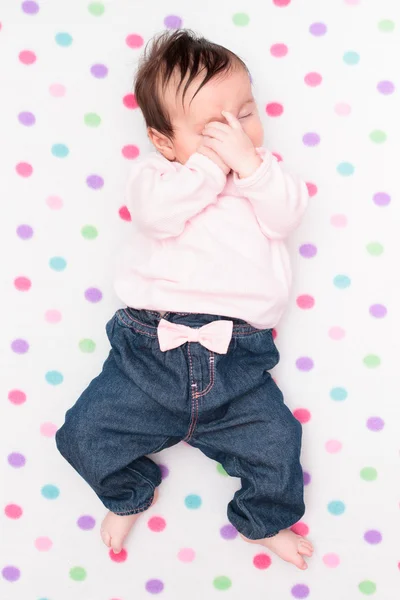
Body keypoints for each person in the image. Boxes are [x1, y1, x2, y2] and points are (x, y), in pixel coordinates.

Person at [56, 29, 313, 570]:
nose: (233, 136)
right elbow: (158, 216)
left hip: (237, 359)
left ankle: (263, 520)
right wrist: (206, 167)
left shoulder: (263, 178)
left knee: (278, 442)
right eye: (210, 129)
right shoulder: (158, 176)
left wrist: (249, 165)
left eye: (244, 115)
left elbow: (287, 215)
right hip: (148, 351)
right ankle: (129, 491)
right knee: (83, 434)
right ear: (165, 141)